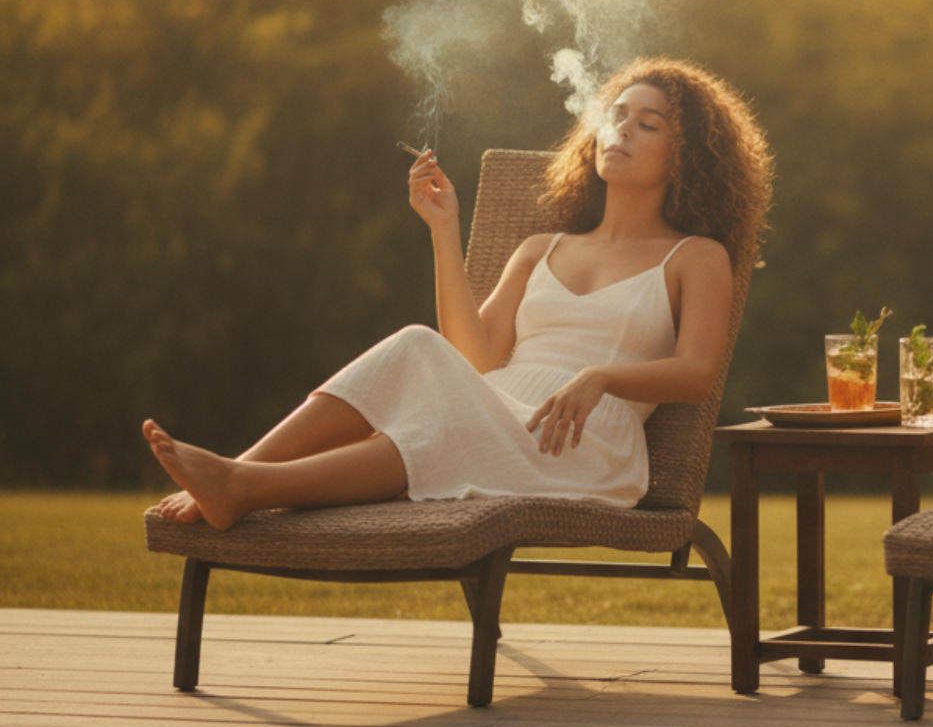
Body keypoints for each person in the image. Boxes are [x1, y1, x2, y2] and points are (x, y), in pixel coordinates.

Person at [145, 58, 773, 531]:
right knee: (419, 351)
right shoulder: (541, 249)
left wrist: (601, 378)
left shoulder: (696, 257)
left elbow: (698, 374)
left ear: (686, 156)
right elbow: (475, 357)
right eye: (617, 116)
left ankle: (241, 484)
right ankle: (236, 476)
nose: (623, 130)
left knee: (434, 409)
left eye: (648, 124)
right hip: (493, 410)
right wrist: (444, 230)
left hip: (578, 444)